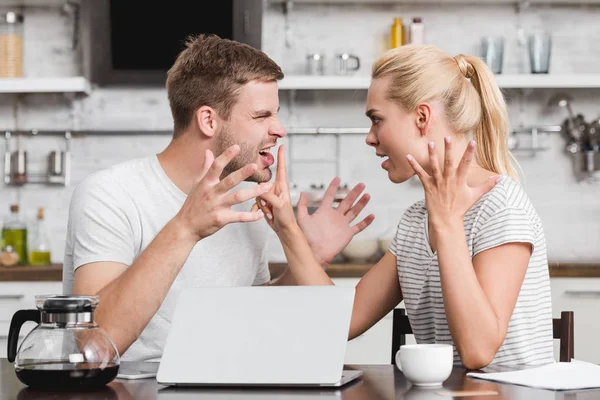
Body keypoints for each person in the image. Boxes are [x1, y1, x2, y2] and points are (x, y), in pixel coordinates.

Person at [62, 34, 375, 362]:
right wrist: (186, 227)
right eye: (261, 116)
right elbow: (95, 346)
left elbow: (249, 314)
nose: (280, 129)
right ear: (208, 120)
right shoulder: (109, 195)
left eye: (276, 114)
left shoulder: (243, 203)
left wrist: (309, 257)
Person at [256, 44, 555, 369]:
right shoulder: (416, 221)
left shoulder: (500, 207)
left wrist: (447, 225)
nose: (370, 138)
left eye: (377, 120)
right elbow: (346, 319)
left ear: (422, 118)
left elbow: (478, 350)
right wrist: (288, 229)